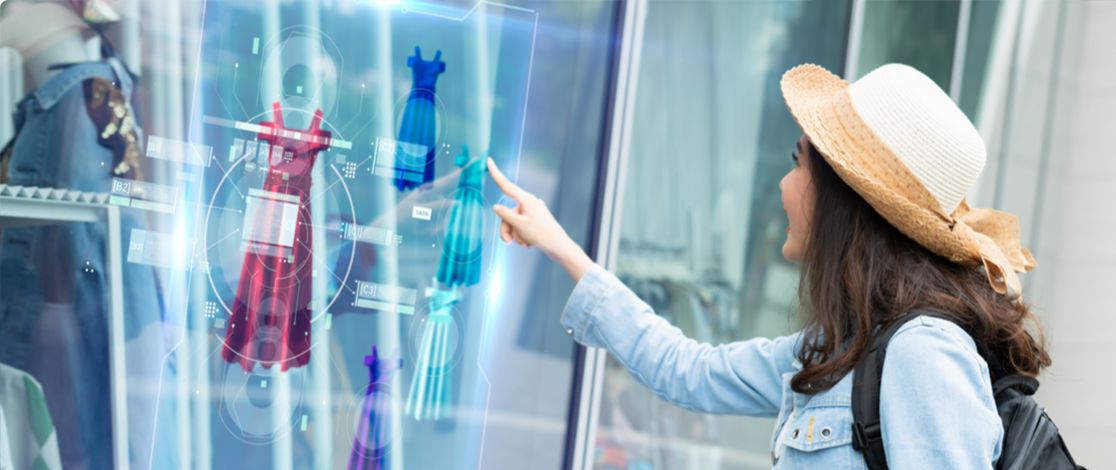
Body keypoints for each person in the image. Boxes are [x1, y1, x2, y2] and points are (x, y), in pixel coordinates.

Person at [487, 63, 1048, 469]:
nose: (782, 185)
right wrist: (562, 247)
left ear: (842, 200)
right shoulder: (842, 349)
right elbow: (690, 370)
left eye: (797, 164)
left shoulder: (921, 353)